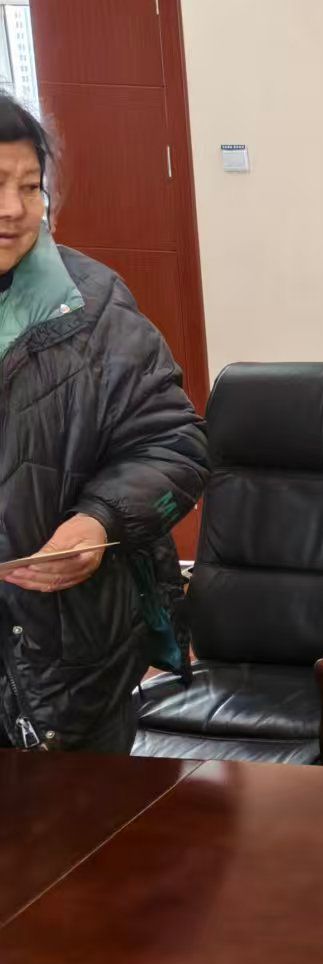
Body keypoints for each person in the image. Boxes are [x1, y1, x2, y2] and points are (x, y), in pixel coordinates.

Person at [0, 94, 208, 754]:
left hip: (68, 662)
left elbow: (176, 444)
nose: (13, 209)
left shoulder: (91, 304)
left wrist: (100, 519)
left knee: (79, 821)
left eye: (29, 186)